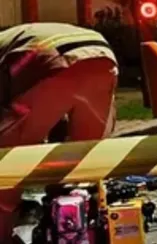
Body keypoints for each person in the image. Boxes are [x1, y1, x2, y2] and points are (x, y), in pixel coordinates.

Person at [0, 23, 118, 238]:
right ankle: (81, 229)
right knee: (85, 165)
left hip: (45, 55)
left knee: (5, 167)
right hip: (102, 57)